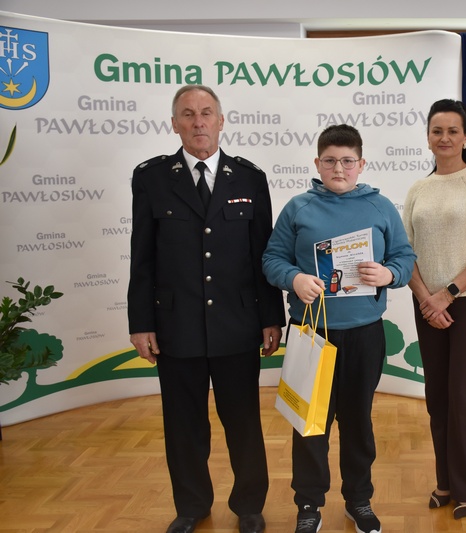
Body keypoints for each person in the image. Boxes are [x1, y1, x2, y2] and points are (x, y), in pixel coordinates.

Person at [127, 84, 285, 533]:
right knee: (183, 424)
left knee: (243, 422)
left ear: (221, 121)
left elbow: (263, 254)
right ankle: (192, 506)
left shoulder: (249, 177)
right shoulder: (153, 177)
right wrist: (141, 322)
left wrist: (271, 317)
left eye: (206, 113)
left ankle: (249, 505)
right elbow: (142, 255)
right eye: (188, 114)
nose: (198, 122)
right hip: (175, 325)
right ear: (174, 124)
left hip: (237, 323)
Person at [262, 124, 416, 533]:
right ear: (317, 163)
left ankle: (359, 500)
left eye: (348, 161)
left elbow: (405, 257)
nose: (339, 168)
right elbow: (272, 259)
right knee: (309, 425)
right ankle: (308, 504)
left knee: (358, 423)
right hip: (312, 332)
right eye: (330, 160)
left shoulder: (380, 207)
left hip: (364, 333)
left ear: (361, 164)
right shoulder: (298, 208)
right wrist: (294, 278)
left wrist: (388, 274)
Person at [402, 99, 466, 520]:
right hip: (426, 303)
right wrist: (426, 297)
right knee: (437, 394)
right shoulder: (418, 189)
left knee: (463, 393)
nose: (444, 138)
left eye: (452, 131)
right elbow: (404, 251)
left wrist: (448, 293)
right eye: (436, 131)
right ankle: (444, 480)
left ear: (465, 137)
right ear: (428, 137)